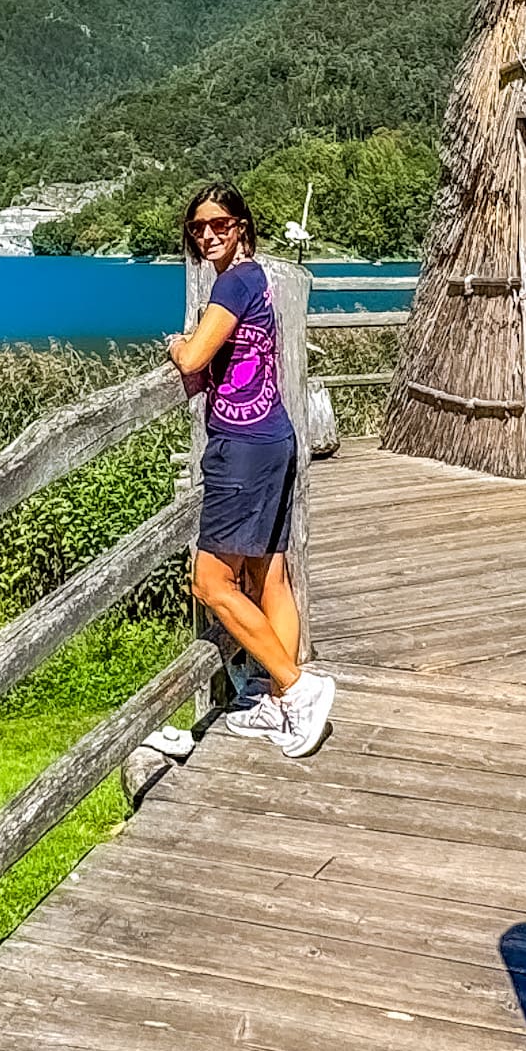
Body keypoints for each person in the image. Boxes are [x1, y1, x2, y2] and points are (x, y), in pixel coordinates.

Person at [167, 182, 335, 758]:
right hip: (274, 437)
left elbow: (193, 358)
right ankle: (278, 700)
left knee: (210, 582)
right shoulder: (258, 278)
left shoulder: (235, 281)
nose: (207, 235)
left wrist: (178, 347)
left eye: (218, 224)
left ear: (241, 226)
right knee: (270, 576)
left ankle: (296, 686)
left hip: (241, 448)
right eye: (197, 228)